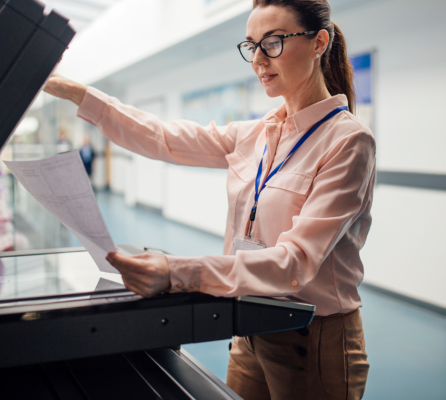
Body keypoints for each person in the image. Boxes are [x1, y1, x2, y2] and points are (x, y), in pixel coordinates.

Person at [44, 0, 374, 398]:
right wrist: (78, 93)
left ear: (319, 42)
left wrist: (177, 272)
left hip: (312, 340)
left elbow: (296, 263)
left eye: (272, 42)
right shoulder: (255, 134)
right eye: (251, 45)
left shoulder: (348, 141)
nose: (257, 59)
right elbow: (163, 138)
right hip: (250, 325)